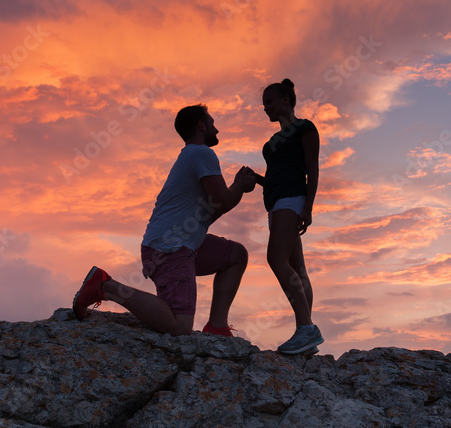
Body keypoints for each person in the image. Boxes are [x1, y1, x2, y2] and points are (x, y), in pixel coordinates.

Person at [72, 104, 257, 337]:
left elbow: (210, 213)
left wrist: (237, 188)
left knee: (236, 255)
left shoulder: (192, 156)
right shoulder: (201, 153)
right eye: (212, 123)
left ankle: (217, 326)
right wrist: (240, 186)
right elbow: (222, 199)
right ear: (201, 125)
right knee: (180, 327)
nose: (216, 129)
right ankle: (105, 286)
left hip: (182, 244)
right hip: (169, 248)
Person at [251, 79, 323, 354]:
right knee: (298, 268)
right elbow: (273, 180)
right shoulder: (270, 145)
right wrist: (255, 178)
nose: (265, 108)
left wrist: (308, 207)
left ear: (285, 99)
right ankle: (307, 332)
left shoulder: (305, 128)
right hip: (276, 204)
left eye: (269, 102)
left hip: (292, 201)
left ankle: (306, 328)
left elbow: (312, 170)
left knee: (275, 259)